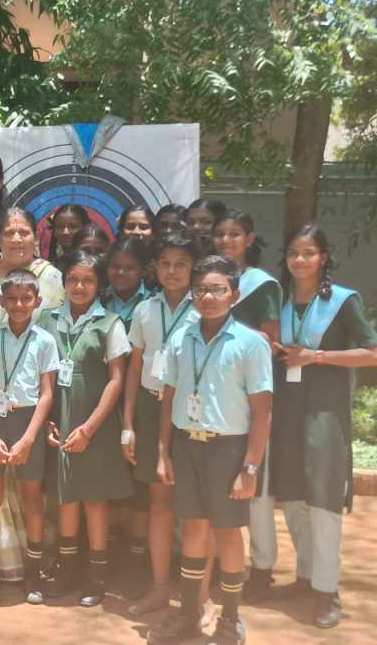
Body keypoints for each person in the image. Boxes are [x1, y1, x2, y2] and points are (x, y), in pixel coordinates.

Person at [149, 255, 272, 645]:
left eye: (218, 290)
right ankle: (189, 613)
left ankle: (230, 619)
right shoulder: (182, 338)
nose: (208, 297)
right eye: (201, 290)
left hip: (228, 449)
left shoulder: (250, 343)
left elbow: (263, 412)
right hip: (186, 445)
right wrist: (163, 452)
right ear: (192, 294)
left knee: (228, 531)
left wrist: (250, 467)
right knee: (193, 528)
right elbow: (169, 398)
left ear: (234, 295)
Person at [271, 224, 377, 628]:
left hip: (325, 413)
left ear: (324, 257)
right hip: (287, 411)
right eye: (293, 253)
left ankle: (326, 590)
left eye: (309, 253)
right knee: (293, 497)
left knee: (323, 500)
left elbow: (371, 353)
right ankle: (306, 576)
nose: (300, 260)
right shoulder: (280, 302)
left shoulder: (342, 301)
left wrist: (316, 357)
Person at [41, 250, 132, 607]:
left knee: (94, 499)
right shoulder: (48, 319)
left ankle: (97, 575)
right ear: (64, 282)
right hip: (59, 420)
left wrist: (89, 428)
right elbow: (41, 375)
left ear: (99, 285)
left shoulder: (110, 324)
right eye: (73, 279)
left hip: (95, 425)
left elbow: (116, 380)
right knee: (65, 495)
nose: (79, 286)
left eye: (88, 280)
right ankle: (67, 569)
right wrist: (48, 422)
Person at [123, 230, 200, 614]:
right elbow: (134, 368)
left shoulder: (204, 309)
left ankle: (198, 596)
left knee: (196, 506)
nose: (172, 271)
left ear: (193, 268)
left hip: (191, 412)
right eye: (165, 264)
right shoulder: (145, 310)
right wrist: (128, 424)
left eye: (181, 264)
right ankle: (158, 587)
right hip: (151, 409)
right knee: (158, 502)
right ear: (154, 268)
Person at [0, 269, 59, 605]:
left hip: (28, 421)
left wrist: (29, 439)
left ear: (37, 301)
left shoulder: (44, 341)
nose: (19, 305)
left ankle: (33, 574)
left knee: (32, 499)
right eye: (11, 298)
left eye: (26, 299)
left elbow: (47, 393)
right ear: (1, 301)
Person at [211, 209, 281, 601]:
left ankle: (262, 566)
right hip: (215, 395)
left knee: (254, 484)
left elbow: (271, 341)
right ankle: (220, 565)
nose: (226, 240)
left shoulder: (260, 285)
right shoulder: (210, 281)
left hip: (250, 391)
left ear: (249, 240)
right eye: (220, 234)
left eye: (234, 234)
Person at [0, 207, 64, 327]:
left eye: (24, 233)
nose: (16, 239)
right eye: (9, 233)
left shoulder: (52, 277)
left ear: (36, 238)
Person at [102, 238, 151, 331]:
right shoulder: (98, 298)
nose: (120, 273)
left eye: (129, 268)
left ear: (143, 271)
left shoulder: (152, 302)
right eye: (115, 266)